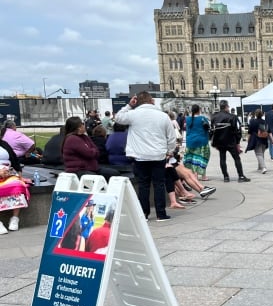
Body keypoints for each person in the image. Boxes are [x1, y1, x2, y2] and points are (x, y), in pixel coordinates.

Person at [115, 91, 178, 222]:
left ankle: (144, 213)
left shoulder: (133, 114)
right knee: (159, 184)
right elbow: (171, 137)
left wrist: (128, 106)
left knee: (143, 185)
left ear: (137, 101)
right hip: (158, 155)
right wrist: (169, 151)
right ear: (152, 101)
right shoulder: (163, 116)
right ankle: (161, 213)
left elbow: (118, 118)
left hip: (140, 156)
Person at [61, 116, 119, 181]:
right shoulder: (72, 139)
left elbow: (96, 150)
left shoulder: (84, 137)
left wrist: (92, 151)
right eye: (82, 124)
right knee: (97, 179)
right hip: (78, 170)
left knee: (114, 173)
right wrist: (93, 151)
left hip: (91, 168)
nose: (84, 125)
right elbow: (89, 153)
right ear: (78, 128)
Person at [0, 124, 30, 234]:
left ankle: (15, 218)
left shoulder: (4, 144)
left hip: (8, 172)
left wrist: (19, 174)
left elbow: (15, 160)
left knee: (18, 184)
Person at [211, 99, 250, 183]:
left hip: (220, 141)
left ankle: (225, 177)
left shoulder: (214, 117)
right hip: (230, 141)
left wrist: (215, 143)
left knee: (222, 159)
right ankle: (241, 176)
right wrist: (238, 143)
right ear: (226, 107)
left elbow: (213, 131)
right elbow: (236, 131)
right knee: (236, 158)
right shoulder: (232, 117)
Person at [182, 104, 211, 181]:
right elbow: (208, 128)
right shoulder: (203, 118)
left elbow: (185, 129)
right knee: (202, 158)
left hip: (190, 141)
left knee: (192, 158)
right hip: (202, 141)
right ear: (199, 110)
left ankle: (195, 176)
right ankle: (203, 176)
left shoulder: (187, 119)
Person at [246, 109, 272, 173]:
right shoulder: (265, 122)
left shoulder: (252, 121)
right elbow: (269, 131)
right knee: (262, 153)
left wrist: (248, 139)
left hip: (256, 139)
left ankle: (263, 167)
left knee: (258, 154)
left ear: (255, 114)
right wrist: (272, 140)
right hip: (264, 139)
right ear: (262, 114)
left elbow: (249, 132)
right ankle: (260, 166)